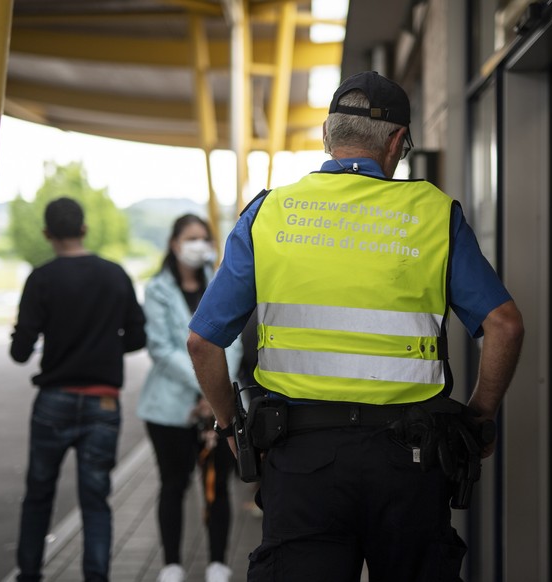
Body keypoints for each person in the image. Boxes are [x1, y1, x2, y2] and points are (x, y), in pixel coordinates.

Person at [186, 71, 524, 581]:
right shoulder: (434, 214)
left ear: (326, 135)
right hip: (411, 461)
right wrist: (478, 420)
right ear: (396, 143)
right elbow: (505, 325)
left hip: (301, 464)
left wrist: (229, 424)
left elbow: (203, 341)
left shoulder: (269, 213)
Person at [10, 197, 146, 582]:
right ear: (84, 229)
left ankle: (30, 574)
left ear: (46, 234)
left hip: (53, 401)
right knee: (95, 501)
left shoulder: (41, 278)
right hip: (103, 401)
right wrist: (103, 346)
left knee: (38, 496)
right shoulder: (115, 275)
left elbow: (21, 352)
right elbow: (137, 336)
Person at [137, 214, 242, 582]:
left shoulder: (222, 282)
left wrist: (215, 394)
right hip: (170, 410)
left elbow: (236, 342)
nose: (200, 245)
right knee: (173, 484)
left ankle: (217, 563)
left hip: (216, 407)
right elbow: (162, 350)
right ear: (175, 244)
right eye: (192, 238)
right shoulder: (157, 289)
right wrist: (208, 389)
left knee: (217, 486)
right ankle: (171, 565)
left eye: (205, 238)